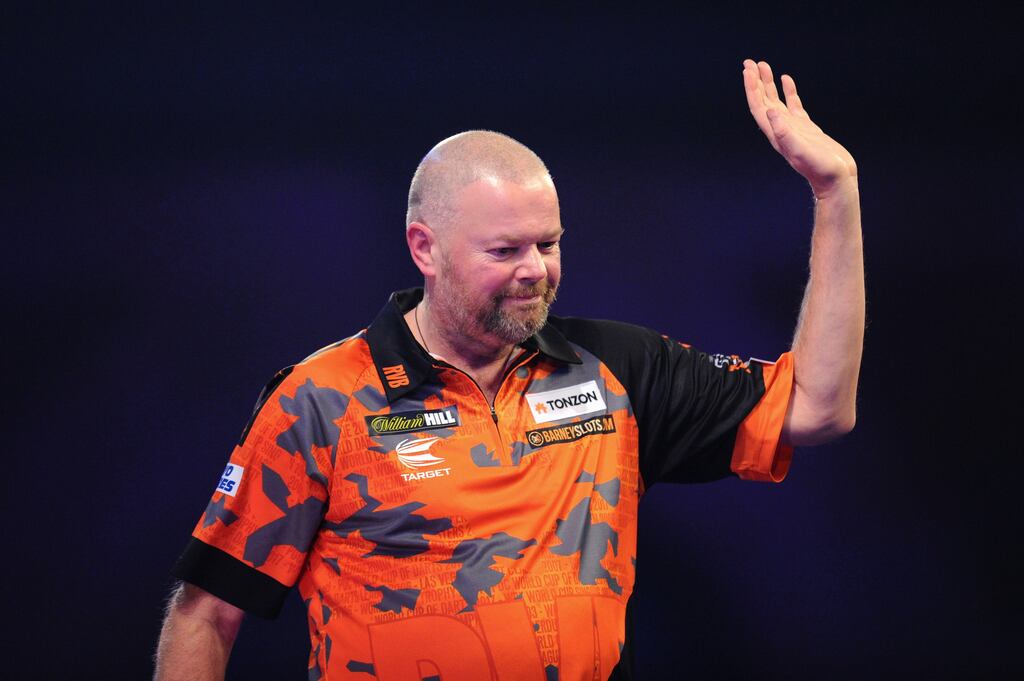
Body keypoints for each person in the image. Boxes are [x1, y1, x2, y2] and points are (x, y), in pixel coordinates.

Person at [154, 59, 863, 681]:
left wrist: (836, 195)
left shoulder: (616, 372)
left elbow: (818, 406)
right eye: (505, 251)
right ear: (423, 248)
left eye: (548, 243)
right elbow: (206, 615)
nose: (536, 271)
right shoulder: (318, 400)